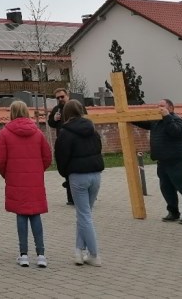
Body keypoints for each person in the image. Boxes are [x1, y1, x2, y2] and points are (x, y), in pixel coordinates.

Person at [0, 100, 52, 268]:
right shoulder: (38, 133)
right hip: (35, 180)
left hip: (15, 179)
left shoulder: (5, 133)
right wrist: (38, 171)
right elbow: (47, 157)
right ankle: (41, 255)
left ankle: (23, 254)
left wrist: (7, 174)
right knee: (36, 214)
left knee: (21, 214)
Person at [54, 99, 104, 266]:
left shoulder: (65, 133)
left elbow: (61, 157)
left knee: (84, 216)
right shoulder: (93, 130)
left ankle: (94, 254)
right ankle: (78, 251)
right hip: (95, 174)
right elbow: (99, 148)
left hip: (78, 176)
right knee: (85, 215)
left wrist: (65, 174)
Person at [131, 98, 182, 223]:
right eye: (158, 106)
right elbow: (143, 123)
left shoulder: (177, 120)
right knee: (166, 188)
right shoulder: (156, 121)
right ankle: (173, 212)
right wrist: (129, 117)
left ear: (170, 108)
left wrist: (167, 117)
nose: (159, 108)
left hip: (178, 161)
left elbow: (175, 132)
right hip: (162, 161)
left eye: (162, 106)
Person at [47, 87, 79, 205]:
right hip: (63, 143)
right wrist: (54, 119)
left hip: (77, 142)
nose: (60, 99)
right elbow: (50, 123)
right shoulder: (56, 109)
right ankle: (71, 198)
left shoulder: (76, 106)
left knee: (79, 169)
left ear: (67, 95)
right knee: (67, 170)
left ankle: (83, 194)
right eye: (58, 98)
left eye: (62, 96)